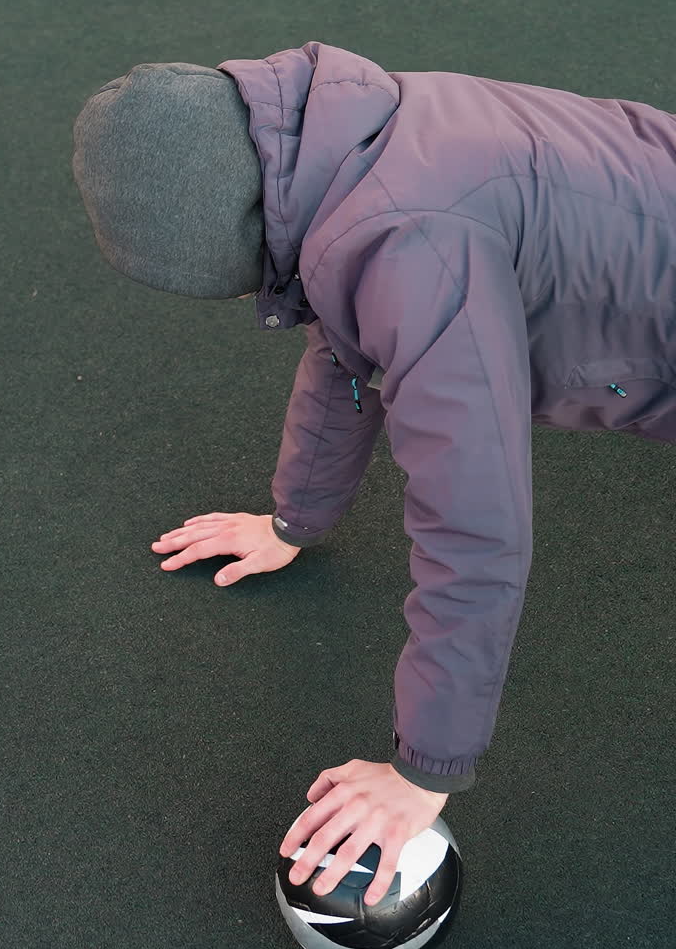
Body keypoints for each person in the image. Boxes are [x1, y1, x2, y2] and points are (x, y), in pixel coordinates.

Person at [72, 39, 676, 799]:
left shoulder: (412, 250)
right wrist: (291, 519)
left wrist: (424, 771)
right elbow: (344, 345)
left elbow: (474, 522)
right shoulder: (340, 137)